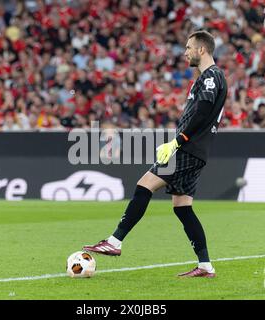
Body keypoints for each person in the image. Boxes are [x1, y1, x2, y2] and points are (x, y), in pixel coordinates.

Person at [83, 30, 227, 278]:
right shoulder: (208, 77)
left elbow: (202, 111)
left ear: (202, 50)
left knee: (144, 185)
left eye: (189, 47)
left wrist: (177, 141)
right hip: (196, 149)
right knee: (182, 207)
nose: (185, 52)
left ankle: (115, 241)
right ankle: (205, 265)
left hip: (188, 147)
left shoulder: (211, 76)